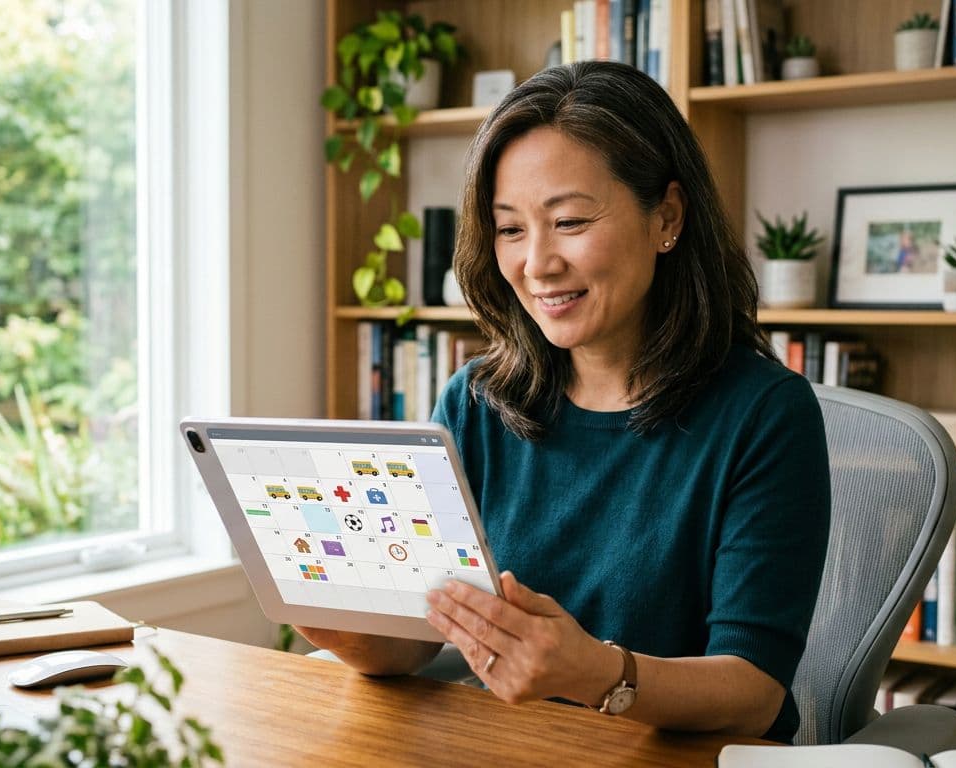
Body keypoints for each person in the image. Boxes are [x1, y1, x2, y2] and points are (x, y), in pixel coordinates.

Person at [297, 61, 830, 743]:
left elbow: (753, 692)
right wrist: (344, 624)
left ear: (666, 216)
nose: (537, 263)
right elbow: (416, 644)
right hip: (515, 750)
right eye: (511, 229)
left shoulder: (765, 414)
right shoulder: (476, 402)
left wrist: (596, 674)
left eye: (570, 221)